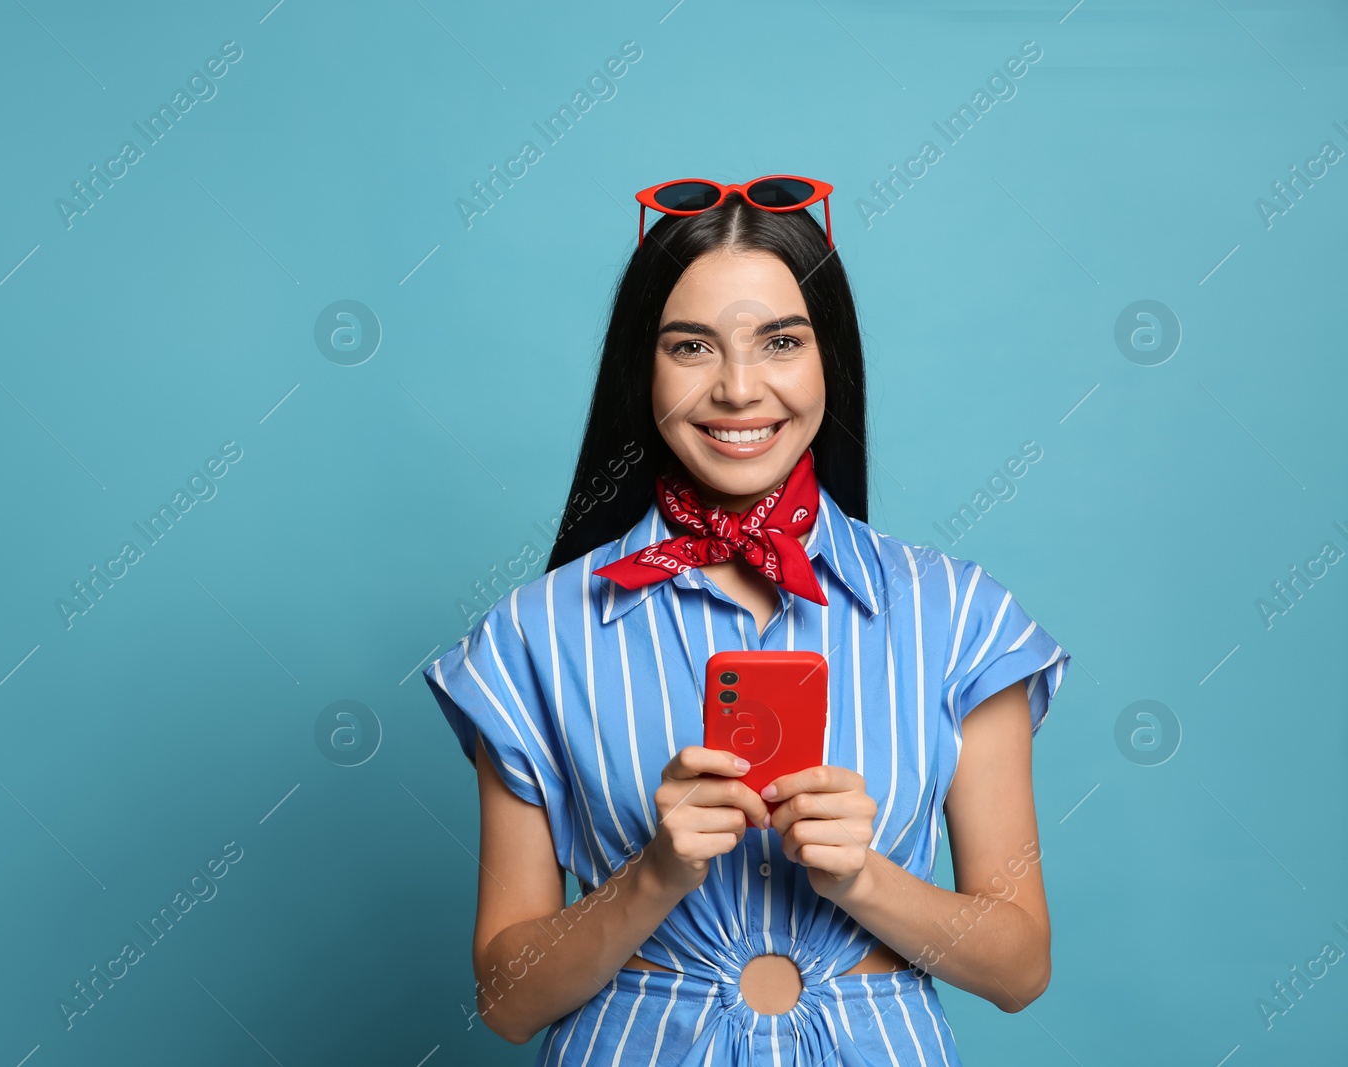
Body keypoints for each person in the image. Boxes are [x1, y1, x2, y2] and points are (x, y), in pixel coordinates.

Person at [423, 175, 1071, 1065]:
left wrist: (862, 877)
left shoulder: (958, 615)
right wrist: (653, 875)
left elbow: (1019, 966)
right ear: (640, 368)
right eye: (691, 345)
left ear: (828, 360)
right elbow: (505, 1001)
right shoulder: (534, 634)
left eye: (780, 341)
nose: (737, 388)